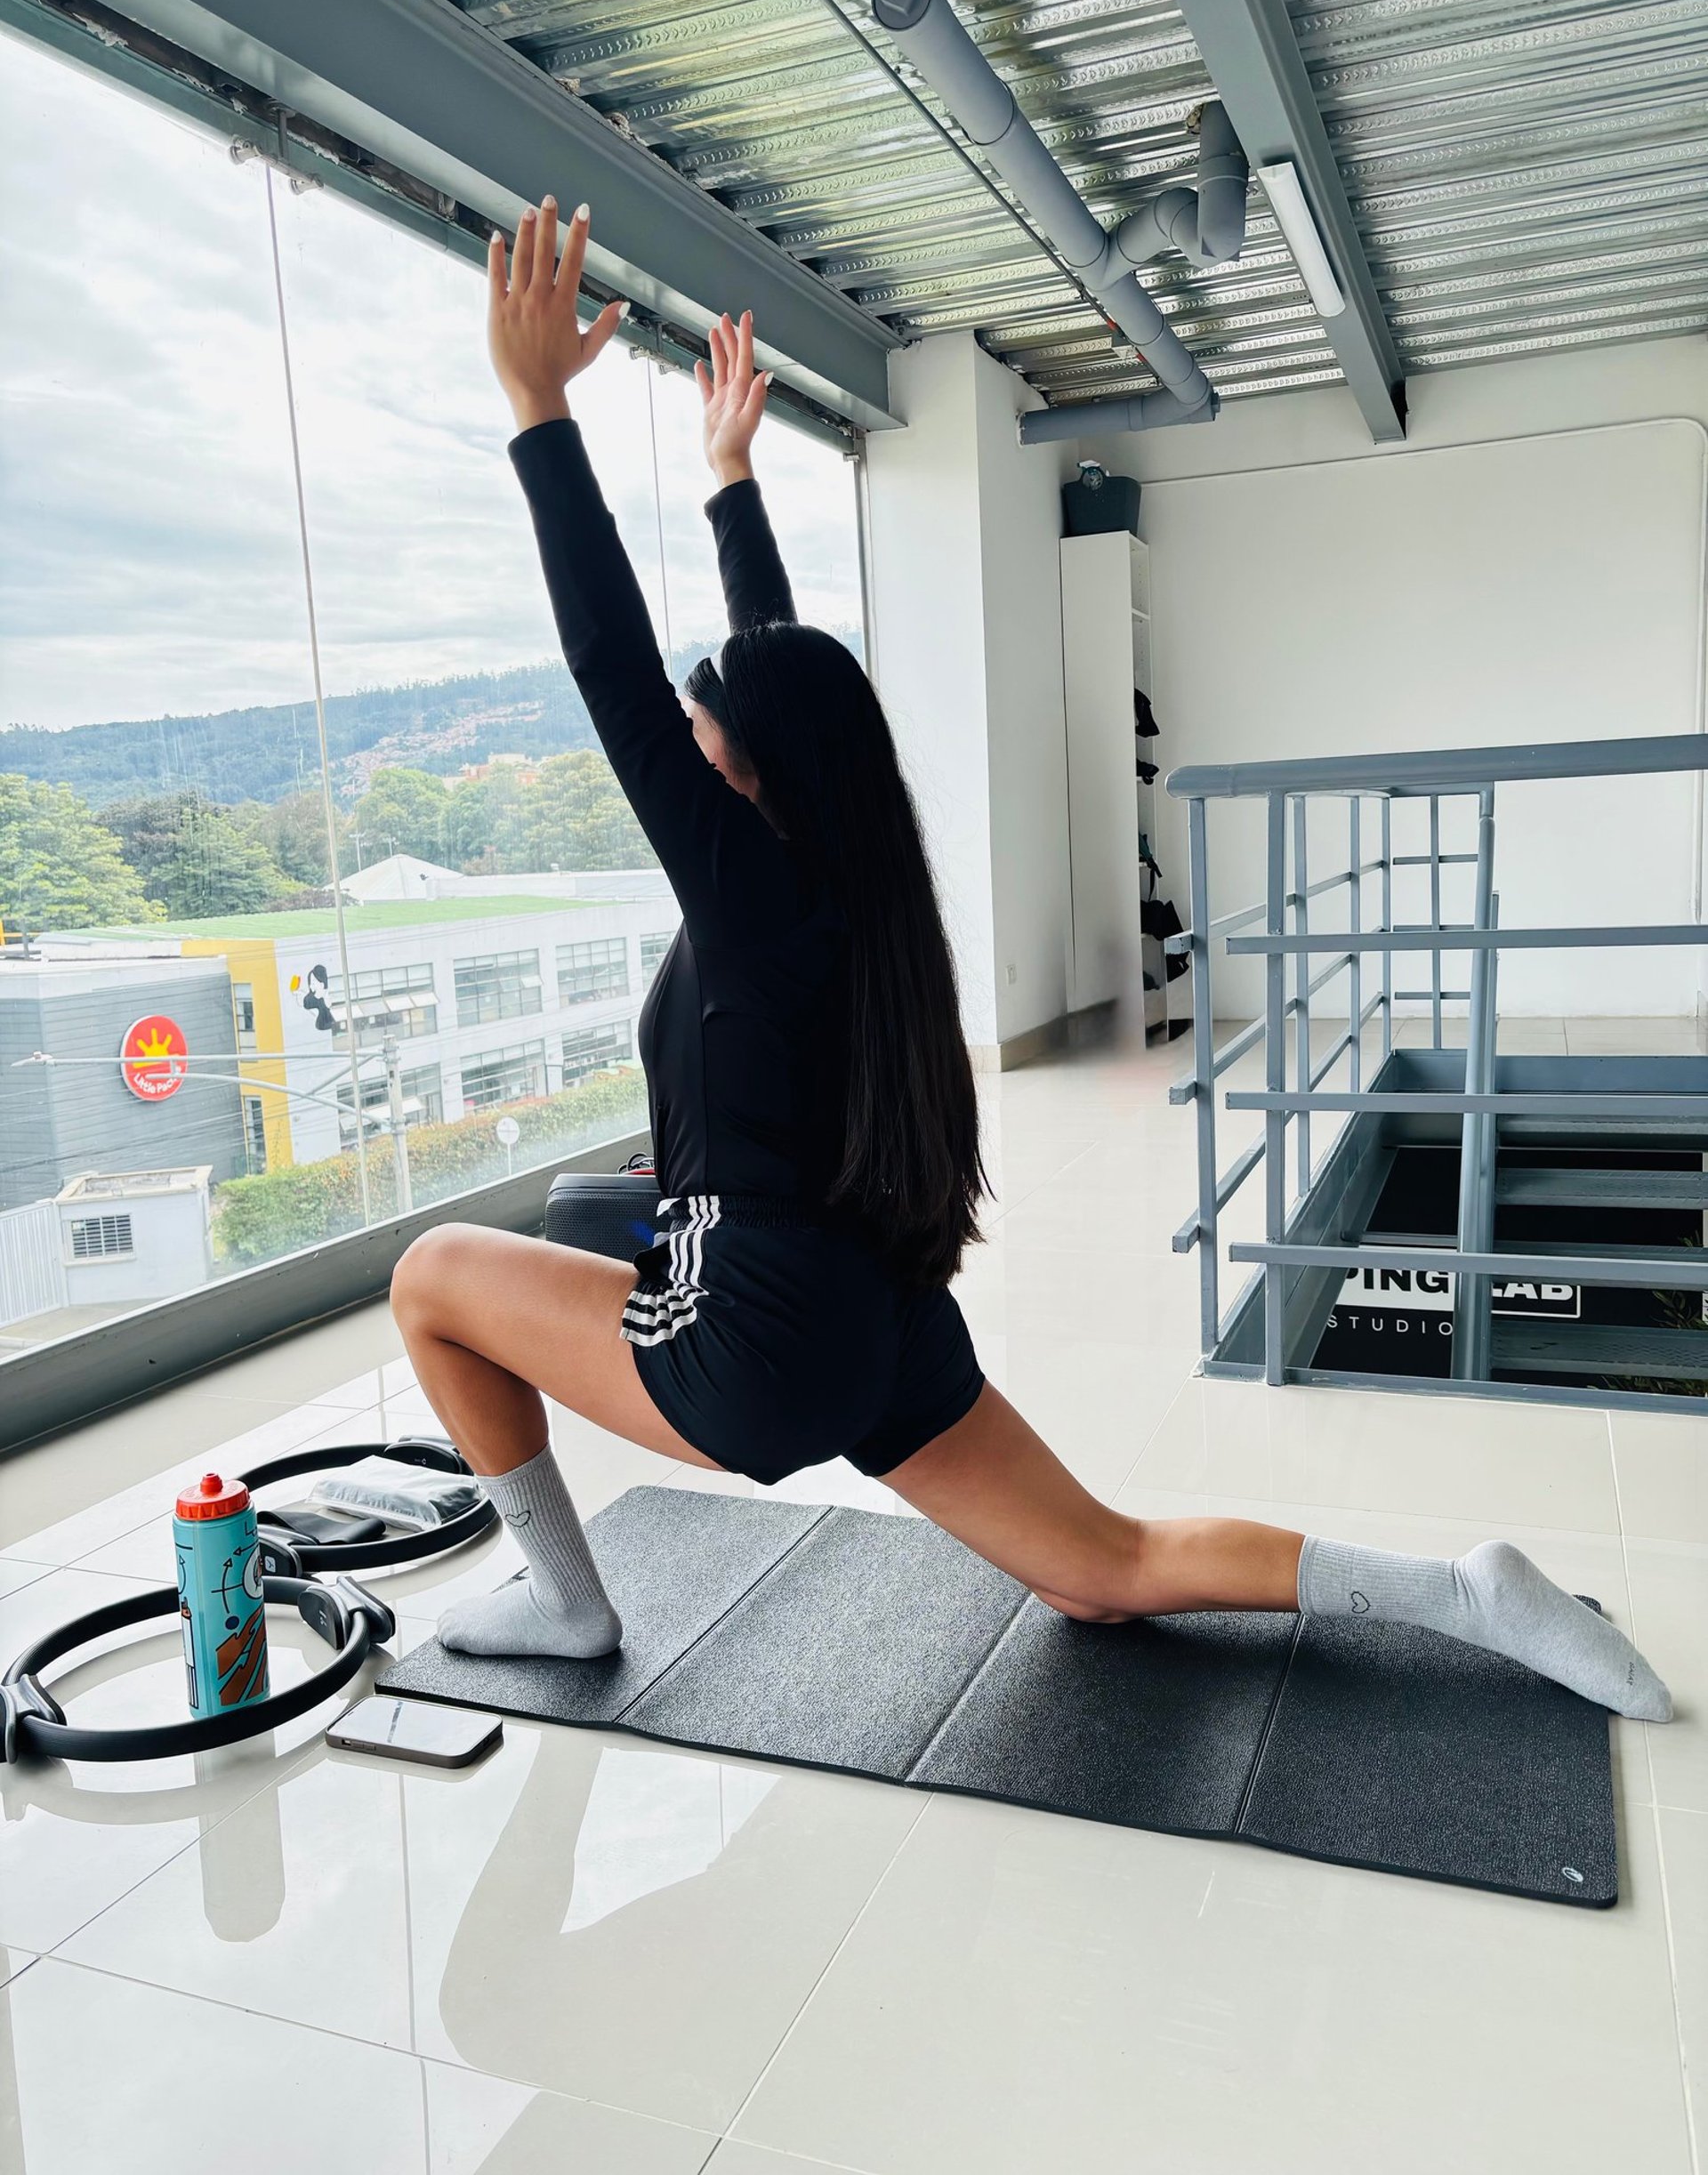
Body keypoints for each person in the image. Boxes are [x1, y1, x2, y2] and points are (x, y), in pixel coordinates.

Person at [390, 197, 1670, 1725]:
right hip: (878, 1318)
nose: (688, 741)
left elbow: (612, 667)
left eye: (703, 734)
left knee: (433, 1275)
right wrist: (731, 482)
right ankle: (1464, 1594)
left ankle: (564, 1600)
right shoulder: (846, 879)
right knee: (1100, 1568)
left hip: (760, 1351)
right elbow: (784, 683)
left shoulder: (746, 895)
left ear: (738, 772)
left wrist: (538, 408)